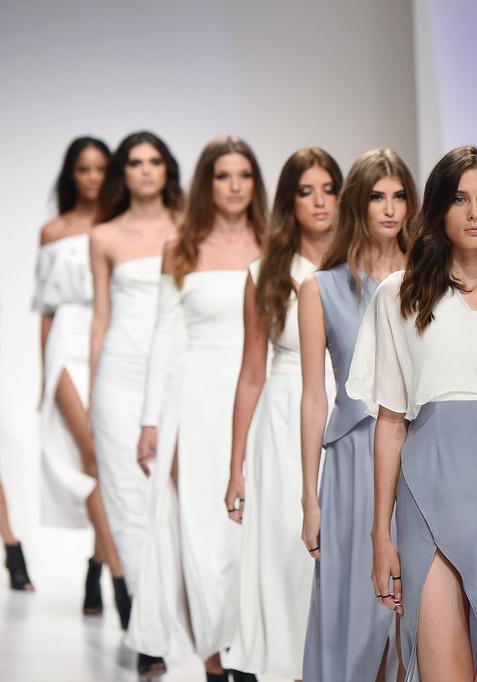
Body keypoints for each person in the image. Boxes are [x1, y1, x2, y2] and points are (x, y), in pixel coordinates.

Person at [347, 145, 477, 680]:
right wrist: (380, 534)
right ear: (439, 208)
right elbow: (390, 421)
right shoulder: (401, 294)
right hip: (426, 492)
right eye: (460, 199)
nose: (474, 213)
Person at [125, 136, 266, 682]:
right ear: (207, 183)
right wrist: (150, 420)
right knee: (202, 534)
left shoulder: (273, 244)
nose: (234, 186)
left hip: (259, 398)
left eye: (244, 175)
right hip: (197, 400)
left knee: (249, 534)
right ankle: (214, 659)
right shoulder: (181, 247)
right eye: (223, 176)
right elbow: (163, 334)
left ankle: (245, 651)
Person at [220, 147, 343, 680]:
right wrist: (236, 467)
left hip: (348, 413)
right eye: (305, 191)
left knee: (339, 550)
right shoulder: (265, 272)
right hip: (283, 421)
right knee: (286, 552)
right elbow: (252, 371)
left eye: (329, 189)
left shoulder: (362, 266)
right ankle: (289, 668)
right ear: (288, 201)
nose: (319, 202)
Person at [297, 148, 416, 681]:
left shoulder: (428, 281)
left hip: (417, 455)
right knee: (356, 609)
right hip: (350, 463)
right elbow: (313, 397)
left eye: (399, 196)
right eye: (376, 197)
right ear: (357, 205)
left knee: (413, 605)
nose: (389, 209)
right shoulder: (320, 288)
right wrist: (309, 497)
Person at [89, 131, 182, 656]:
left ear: (167, 169)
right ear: (122, 172)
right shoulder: (103, 236)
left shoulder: (189, 228)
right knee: (125, 497)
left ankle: (176, 618)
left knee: (172, 497)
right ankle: (145, 631)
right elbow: (100, 317)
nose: (145, 170)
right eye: (135, 162)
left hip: (175, 372)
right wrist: (92, 386)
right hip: (118, 376)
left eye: (154, 161)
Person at [34, 136, 122, 613]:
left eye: (100, 169)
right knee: (91, 457)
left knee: (112, 462)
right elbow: (46, 311)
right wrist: (42, 377)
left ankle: (96, 563)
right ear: (72, 174)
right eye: (84, 169)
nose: (92, 178)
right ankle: (122, 582)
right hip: (67, 345)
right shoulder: (53, 231)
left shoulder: (119, 227)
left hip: (110, 340)